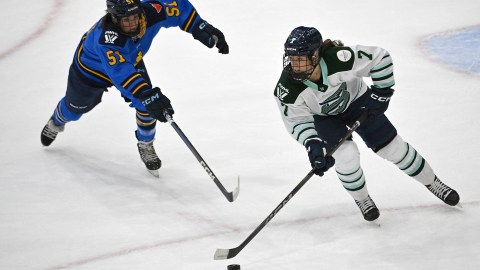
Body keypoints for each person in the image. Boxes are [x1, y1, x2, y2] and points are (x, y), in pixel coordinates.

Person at [274, 26, 460, 222]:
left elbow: (380, 57)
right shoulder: (287, 87)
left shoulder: (339, 58)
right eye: (291, 58)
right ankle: (363, 200)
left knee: (393, 148)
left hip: (358, 102)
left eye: (300, 59)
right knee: (346, 155)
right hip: (323, 118)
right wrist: (313, 144)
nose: (295, 65)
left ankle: (433, 182)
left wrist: (382, 93)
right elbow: (297, 121)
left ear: (315, 55)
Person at [41, 0, 229, 177]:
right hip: (91, 70)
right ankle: (57, 120)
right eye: (125, 20)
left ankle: (145, 143)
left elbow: (178, 7)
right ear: (114, 18)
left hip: (129, 60)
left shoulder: (151, 12)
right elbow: (121, 73)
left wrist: (200, 27)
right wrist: (145, 93)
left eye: (134, 17)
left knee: (147, 104)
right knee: (75, 109)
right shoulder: (107, 39)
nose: (132, 24)